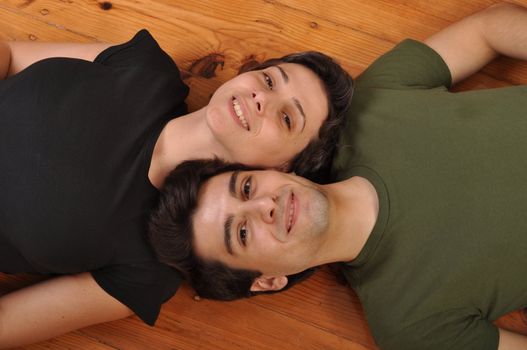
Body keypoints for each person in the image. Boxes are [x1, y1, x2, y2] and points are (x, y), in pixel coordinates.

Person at [148, 3, 527, 349]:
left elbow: (486, 29)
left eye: (246, 187)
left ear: (267, 170)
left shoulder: (370, 102)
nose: (265, 204)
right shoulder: (410, 325)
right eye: (242, 233)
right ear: (266, 281)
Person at [0, 29, 353, 347]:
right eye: (271, 81)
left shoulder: (150, 268)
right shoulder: (147, 66)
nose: (263, 98)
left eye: (287, 117)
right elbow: (10, 56)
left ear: (284, 168)